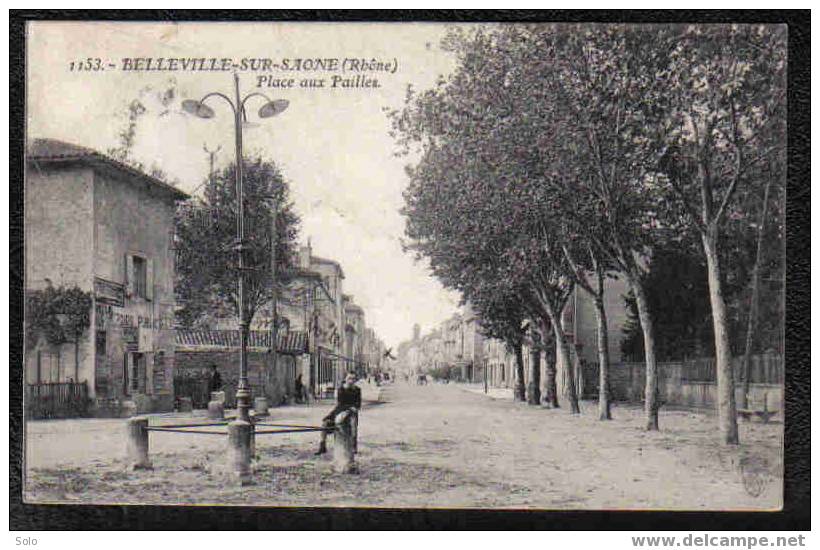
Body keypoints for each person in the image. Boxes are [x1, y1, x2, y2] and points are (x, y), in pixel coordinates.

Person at [315, 372, 361, 456]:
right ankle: (322, 445)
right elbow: (341, 403)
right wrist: (350, 407)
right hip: (340, 411)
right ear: (346, 379)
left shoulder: (357, 390)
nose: (351, 381)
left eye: (353, 379)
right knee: (325, 423)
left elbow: (358, 404)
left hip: (351, 413)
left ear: (355, 380)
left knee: (353, 423)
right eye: (349, 378)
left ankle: (354, 445)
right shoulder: (341, 389)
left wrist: (351, 409)